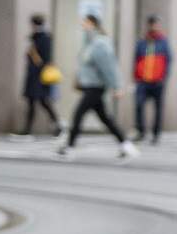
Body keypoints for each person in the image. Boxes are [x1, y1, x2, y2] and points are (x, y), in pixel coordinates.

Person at [57, 13, 134, 160]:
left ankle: (69, 147)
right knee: (105, 118)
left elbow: (109, 67)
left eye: (84, 23)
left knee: (78, 114)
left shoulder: (100, 43)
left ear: (92, 24)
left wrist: (117, 86)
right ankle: (126, 144)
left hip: (96, 87)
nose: (82, 26)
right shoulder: (89, 42)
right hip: (89, 86)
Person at [15, 13, 61, 138]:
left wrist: (36, 66)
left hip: (40, 76)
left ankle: (57, 124)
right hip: (33, 76)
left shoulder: (44, 38)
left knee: (43, 101)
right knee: (33, 102)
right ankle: (28, 129)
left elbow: (46, 57)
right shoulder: (35, 38)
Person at [131, 15, 172, 144]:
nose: (156, 27)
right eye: (154, 24)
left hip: (157, 81)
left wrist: (164, 77)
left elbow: (169, 60)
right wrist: (135, 77)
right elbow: (136, 60)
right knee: (138, 104)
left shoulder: (163, 41)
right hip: (143, 80)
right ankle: (140, 130)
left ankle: (156, 133)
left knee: (158, 108)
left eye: (157, 24)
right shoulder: (142, 41)